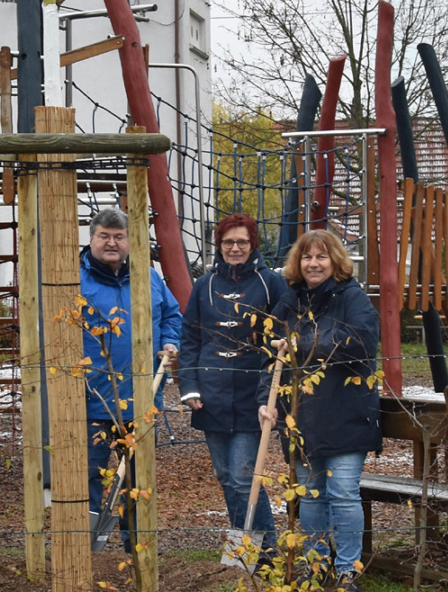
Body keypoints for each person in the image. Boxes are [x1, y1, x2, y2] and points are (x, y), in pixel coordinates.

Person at [258, 229, 381, 592]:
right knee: (310, 497)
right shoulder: (289, 302)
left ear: (335, 261)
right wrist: (266, 402)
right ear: (299, 262)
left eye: (321, 257)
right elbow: (271, 358)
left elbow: (361, 343)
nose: (314, 264)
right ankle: (315, 564)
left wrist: (302, 343)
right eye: (307, 257)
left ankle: (347, 570)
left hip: (346, 415)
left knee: (343, 493)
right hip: (303, 419)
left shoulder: (352, 298)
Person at [179, 214, 290, 561]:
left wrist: (272, 390)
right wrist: (190, 385)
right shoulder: (205, 284)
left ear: (252, 243)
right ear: (220, 245)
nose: (235, 248)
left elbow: (284, 336)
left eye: (241, 241)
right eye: (228, 242)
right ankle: (245, 548)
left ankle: (266, 552)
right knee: (227, 478)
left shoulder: (271, 283)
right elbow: (190, 337)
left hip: (253, 395)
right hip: (210, 397)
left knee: (245, 478)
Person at [80, 207, 181, 551]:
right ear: (91, 238)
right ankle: (86, 547)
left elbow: (171, 314)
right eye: (104, 236)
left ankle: (134, 546)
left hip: (141, 400)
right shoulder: (75, 279)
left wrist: (170, 340)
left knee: (137, 479)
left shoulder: (148, 276)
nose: (112, 243)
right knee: (89, 476)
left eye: (119, 237)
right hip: (93, 400)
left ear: (129, 241)